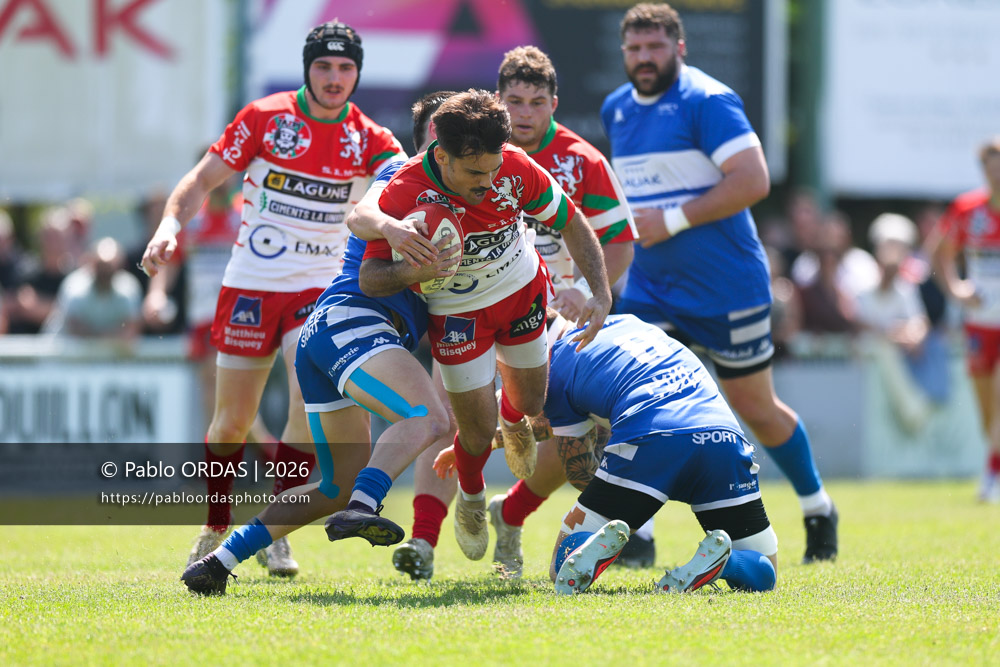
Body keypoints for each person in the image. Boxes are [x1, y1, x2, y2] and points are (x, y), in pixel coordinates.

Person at [141, 21, 407, 576]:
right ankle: (214, 522)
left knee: (304, 416)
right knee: (230, 426)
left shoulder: (375, 140)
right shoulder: (266, 118)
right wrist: (169, 225)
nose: (335, 79)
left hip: (318, 290)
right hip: (250, 287)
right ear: (308, 69)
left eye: (346, 69)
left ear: (357, 73)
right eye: (324, 67)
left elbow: (405, 191)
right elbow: (201, 179)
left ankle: (269, 531)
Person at [391, 48, 641, 580]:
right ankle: (427, 540)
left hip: (541, 301)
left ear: (553, 104)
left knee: (553, 430)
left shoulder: (568, 161)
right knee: (451, 422)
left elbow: (612, 238)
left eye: (536, 102)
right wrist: (407, 256)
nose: (525, 113)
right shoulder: (425, 170)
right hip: (459, 309)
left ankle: (516, 506)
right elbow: (369, 217)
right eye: (515, 102)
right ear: (498, 103)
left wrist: (586, 289)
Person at [601, 3, 837, 562]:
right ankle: (637, 534)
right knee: (633, 404)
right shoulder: (617, 108)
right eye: (634, 49)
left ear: (679, 48)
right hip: (653, 287)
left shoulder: (708, 100)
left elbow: (753, 179)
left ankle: (818, 508)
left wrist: (673, 219)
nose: (644, 58)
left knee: (755, 408)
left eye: (655, 47)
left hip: (727, 285)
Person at [180, 159, 456, 595]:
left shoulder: (449, 197)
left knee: (333, 488)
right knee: (429, 418)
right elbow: (362, 224)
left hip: (326, 332)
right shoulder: (403, 176)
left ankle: (218, 562)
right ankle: (365, 504)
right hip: (353, 324)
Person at [435, 313, 778, 594]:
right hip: (724, 438)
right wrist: (491, 440)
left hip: (651, 441)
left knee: (560, 567)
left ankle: (588, 545)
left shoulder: (553, 373)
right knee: (765, 567)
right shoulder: (626, 323)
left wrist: (621, 501)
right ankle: (729, 562)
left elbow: (579, 470)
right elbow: (577, 405)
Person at [931, 136, 1000, 502]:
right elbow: (939, 253)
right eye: (992, 168)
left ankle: (992, 476)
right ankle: (994, 465)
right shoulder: (967, 210)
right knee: (986, 409)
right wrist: (956, 289)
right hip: (979, 323)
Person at [44, 237, 142, 342]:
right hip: (62, 352)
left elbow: (131, 329)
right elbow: (74, 328)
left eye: (109, 267)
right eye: (101, 267)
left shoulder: (129, 289)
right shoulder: (75, 288)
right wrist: (108, 339)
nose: (105, 272)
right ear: (91, 263)